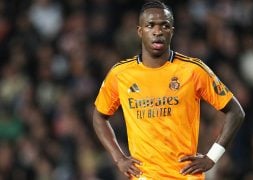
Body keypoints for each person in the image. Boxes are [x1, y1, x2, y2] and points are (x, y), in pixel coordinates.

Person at [93, 1, 245, 179]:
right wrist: (119, 158)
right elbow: (99, 116)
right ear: (140, 31)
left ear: (171, 31)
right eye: (150, 25)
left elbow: (236, 112)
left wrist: (212, 157)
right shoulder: (121, 74)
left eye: (164, 26)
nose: (157, 31)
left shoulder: (193, 70)